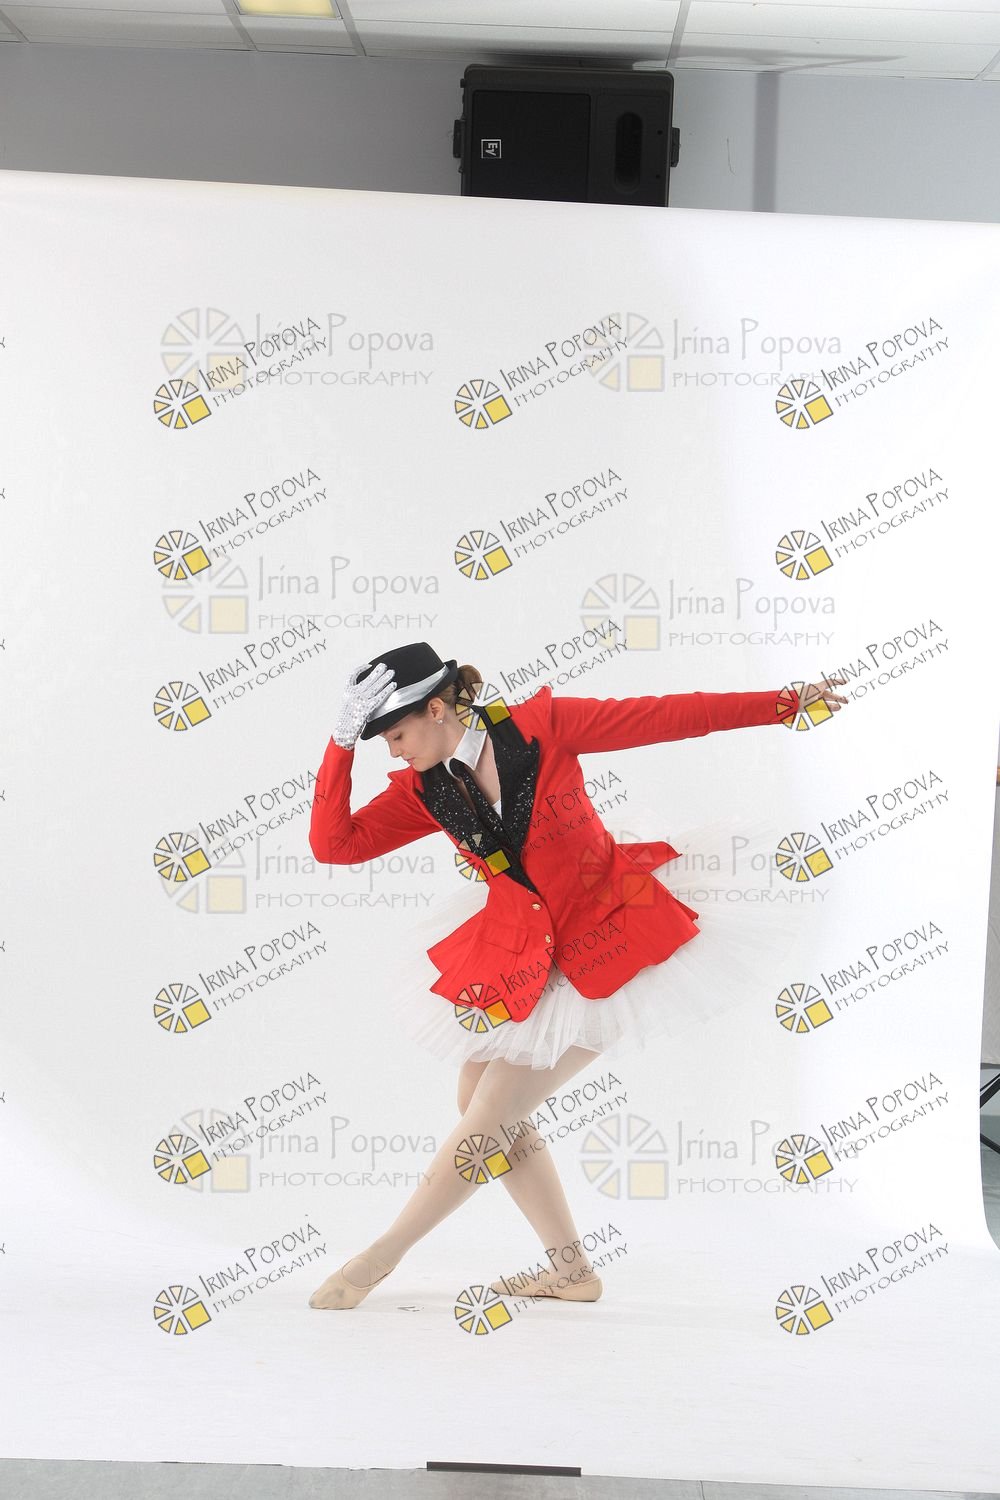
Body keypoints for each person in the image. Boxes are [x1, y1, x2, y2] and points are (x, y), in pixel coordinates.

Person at [306, 641, 847, 1310]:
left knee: (491, 1112)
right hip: (526, 952)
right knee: (479, 1100)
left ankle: (379, 1257)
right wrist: (340, 744)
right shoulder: (426, 788)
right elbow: (334, 844)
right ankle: (571, 1272)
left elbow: (667, 716)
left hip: (609, 932)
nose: (392, 752)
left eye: (395, 735)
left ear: (437, 709)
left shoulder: (544, 726)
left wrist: (782, 704)